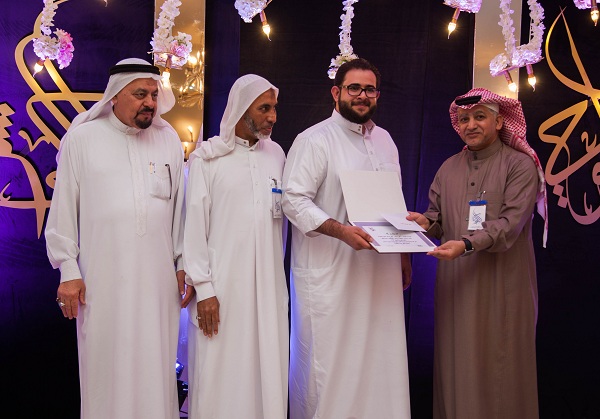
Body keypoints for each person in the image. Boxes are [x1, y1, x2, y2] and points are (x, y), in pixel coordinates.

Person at [45, 58, 192, 419]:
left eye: (154, 95)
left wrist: (182, 263)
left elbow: (180, 211)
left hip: (157, 285)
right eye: (140, 94)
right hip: (101, 282)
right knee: (105, 369)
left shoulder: (167, 139)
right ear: (114, 95)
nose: (150, 103)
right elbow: (63, 210)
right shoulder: (82, 139)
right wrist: (68, 270)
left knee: (155, 368)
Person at [282, 58, 412, 419]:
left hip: (380, 274)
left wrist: (403, 254)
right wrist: (340, 231)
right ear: (336, 92)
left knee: (380, 359)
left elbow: (393, 202)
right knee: (330, 368)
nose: (362, 96)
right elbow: (293, 200)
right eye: (354, 88)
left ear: (378, 95)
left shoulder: (385, 140)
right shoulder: (314, 140)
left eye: (369, 89)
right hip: (332, 275)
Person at [407, 87, 546, 419]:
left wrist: (466, 244)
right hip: (457, 288)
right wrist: (424, 222)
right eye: (464, 119)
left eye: (479, 117)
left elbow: (510, 225)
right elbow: (438, 218)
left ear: (499, 122)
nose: (470, 125)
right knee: (456, 365)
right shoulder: (448, 168)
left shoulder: (520, 165)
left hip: (503, 288)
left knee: (501, 367)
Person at [183, 74, 288, 419]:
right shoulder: (207, 159)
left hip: (268, 288)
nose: (273, 116)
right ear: (242, 109)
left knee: (265, 369)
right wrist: (204, 288)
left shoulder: (277, 155)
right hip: (222, 288)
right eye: (264, 108)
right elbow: (193, 229)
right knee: (219, 371)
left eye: (274, 108)